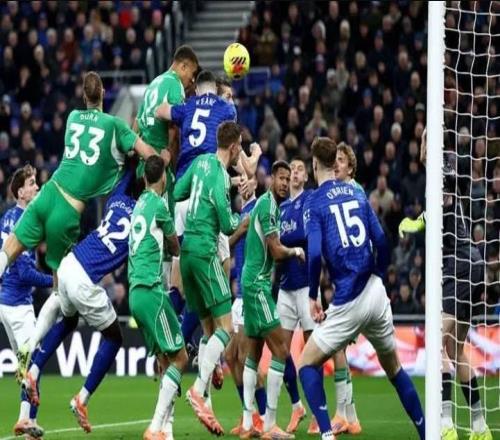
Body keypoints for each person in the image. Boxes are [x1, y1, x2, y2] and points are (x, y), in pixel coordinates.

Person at [3, 71, 155, 377]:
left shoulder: (72, 118)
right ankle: (30, 346)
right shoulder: (114, 126)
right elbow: (146, 156)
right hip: (66, 213)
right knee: (60, 294)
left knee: (8, 250)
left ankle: (29, 355)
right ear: (103, 95)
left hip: (48, 193)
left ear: (84, 96)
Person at [299, 137, 425, 440]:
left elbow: (314, 255)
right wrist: (379, 275)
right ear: (334, 164)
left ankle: (326, 434)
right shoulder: (357, 193)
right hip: (375, 291)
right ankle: (425, 432)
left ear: (315, 165)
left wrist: (313, 295)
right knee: (394, 368)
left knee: (306, 364)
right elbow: (381, 240)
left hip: (348, 298)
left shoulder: (315, 201)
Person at [21, 170, 138, 434]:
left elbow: (127, 175)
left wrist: (134, 160)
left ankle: (34, 370)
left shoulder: (116, 199)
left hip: (68, 264)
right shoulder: (145, 216)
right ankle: (82, 399)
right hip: (85, 279)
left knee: (69, 319)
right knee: (114, 337)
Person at [399, 130, 492, 440]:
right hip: (472, 263)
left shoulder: (444, 176)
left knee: (438, 342)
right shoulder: (443, 172)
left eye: (427, 142)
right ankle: (480, 427)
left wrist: (417, 222)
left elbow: (443, 200)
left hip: (460, 263)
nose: (423, 148)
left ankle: (446, 423)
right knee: (456, 349)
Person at [173, 121, 243, 435]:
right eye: (240, 146)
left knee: (208, 329)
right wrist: (243, 217)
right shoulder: (220, 175)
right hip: (204, 252)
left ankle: (207, 404)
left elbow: (177, 191)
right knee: (226, 327)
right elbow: (227, 225)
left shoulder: (200, 161)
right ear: (234, 146)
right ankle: (199, 389)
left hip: (186, 253)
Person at [240, 160, 306, 440]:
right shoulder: (268, 207)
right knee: (280, 350)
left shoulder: (269, 207)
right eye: (281, 178)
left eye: (287, 179)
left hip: (252, 283)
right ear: (271, 180)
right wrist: (295, 251)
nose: (284, 183)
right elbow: (276, 251)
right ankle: (269, 425)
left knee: (253, 355)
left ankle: (248, 423)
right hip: (257, 285)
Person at [128, 155, 185, 440]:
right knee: (181, 358)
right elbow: (174, 246)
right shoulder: (160, 205)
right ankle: (154, 427)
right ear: (163, 177)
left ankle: (165, 429)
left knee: (165, 360)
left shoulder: (139, 203)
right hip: (151, 289)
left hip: (134, 293)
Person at [0, 165, 52, 439]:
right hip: (19, 308)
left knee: (25, 363)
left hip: (5, 304)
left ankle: (30, 425)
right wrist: (54, 281)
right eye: (32, 183)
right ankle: (25, 419)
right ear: (21, 193)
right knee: (35, 363)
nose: (37, 187)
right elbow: (24, 273)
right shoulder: (25, 222)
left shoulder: (7, 217)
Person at [225, 178, 267, 436]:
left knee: (246, 358)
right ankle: (248, 415)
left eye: (247, 180)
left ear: (256, 184)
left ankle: (261, 418)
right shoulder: (239, 215)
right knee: (230, 356)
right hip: (238, 294)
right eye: (239, 180)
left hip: (249, 293)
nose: (242, 184)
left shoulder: (258, 209)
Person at [276, 157, 314, 434]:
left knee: (313, 353)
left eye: (300, 169)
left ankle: (317, 412)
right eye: (292, 169)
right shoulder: (281, 208)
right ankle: (295, 406)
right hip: (285, 287)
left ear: (306, 177)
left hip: (306, 286)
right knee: (281, 350)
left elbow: (305, 235)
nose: (295, 172)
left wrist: (285, 244)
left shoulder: (309, 200)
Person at [328, 142, 363, 435]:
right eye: (334, 160)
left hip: (354, 283)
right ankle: (352, 417)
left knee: (336, 345)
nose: (336, 164)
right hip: (348, 281)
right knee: (340, 348)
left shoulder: (353, 193)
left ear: (350, 167)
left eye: (341, 160)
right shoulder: (352, 191)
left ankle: (341, 414)